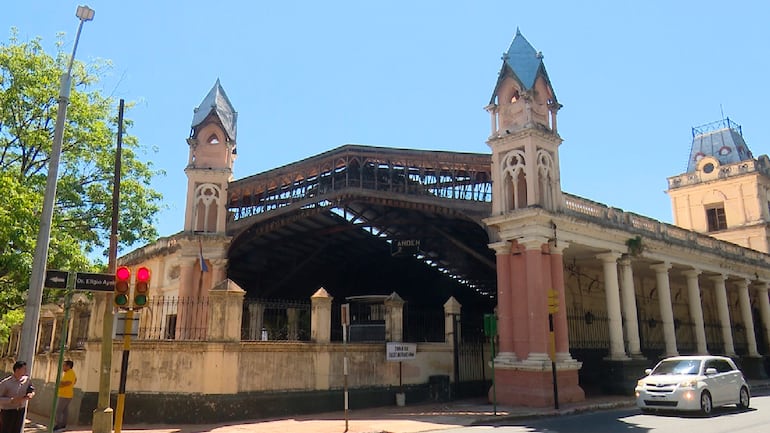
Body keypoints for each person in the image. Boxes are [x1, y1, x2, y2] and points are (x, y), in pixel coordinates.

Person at [0, 360, 35, 433]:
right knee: (6, 430)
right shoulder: (5, 383)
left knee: (17, 430)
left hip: (20, 410)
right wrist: (11, 400)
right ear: (17, 370)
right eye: (24, 369)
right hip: (8, 411)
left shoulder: (27, 380)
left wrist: (31, 394)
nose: (26, 371)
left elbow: (31, 389)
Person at [54, 360, 76, 431]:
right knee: (64, 410)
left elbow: (68, 382)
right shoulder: (68, 373)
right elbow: (75, 380)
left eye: (64, 365)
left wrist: (59, 384)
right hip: (66, 394)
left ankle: (59, 424)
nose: (63, 367)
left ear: (68, 366)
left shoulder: (70, 373)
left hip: (65, 395)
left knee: (59, 410)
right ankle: (63, 424)